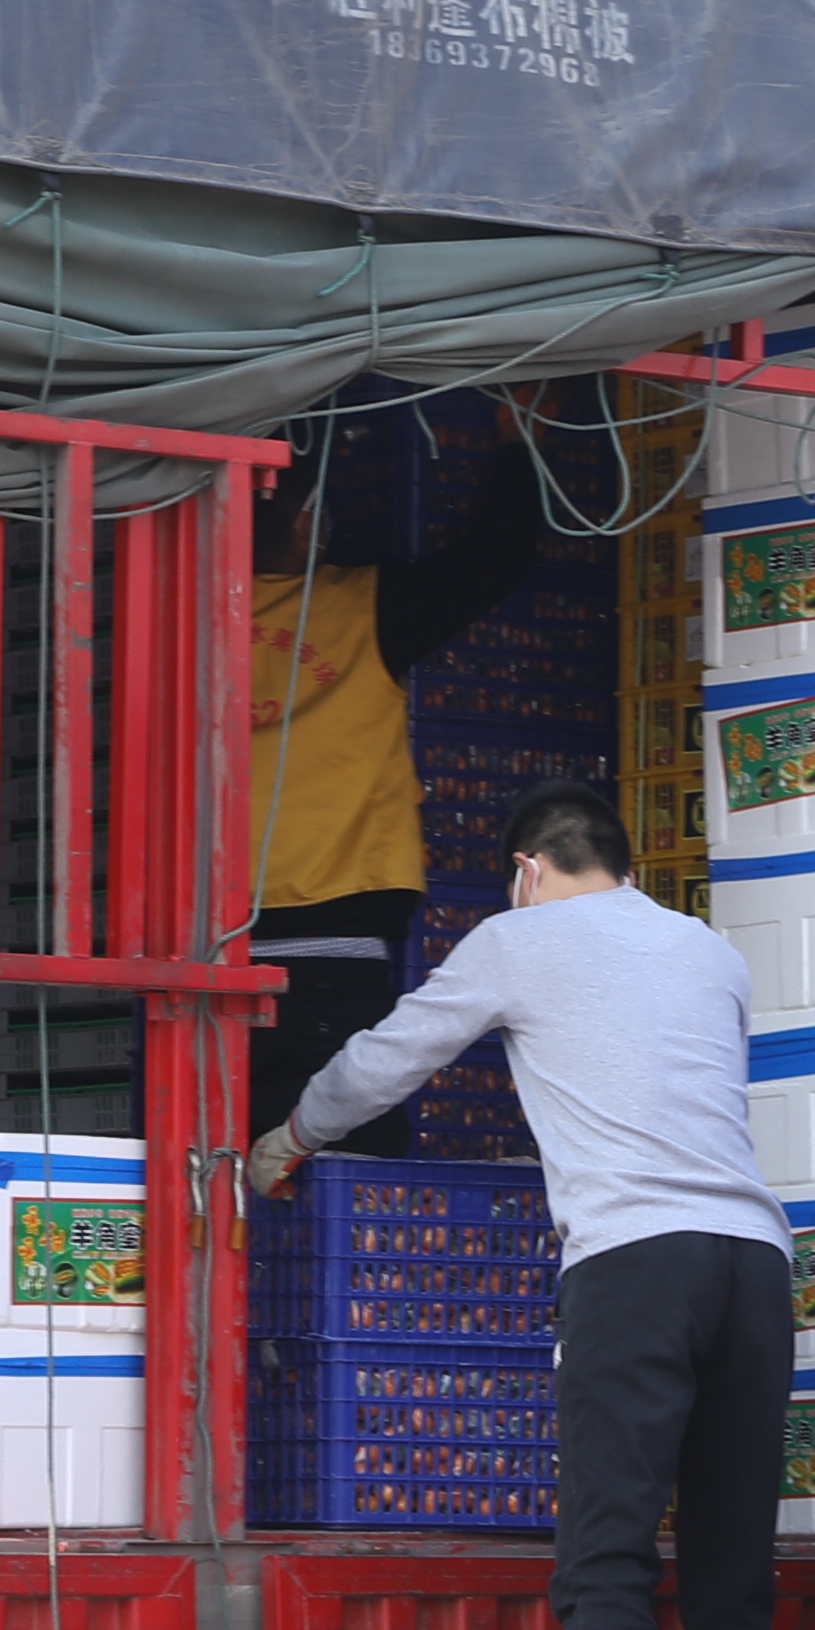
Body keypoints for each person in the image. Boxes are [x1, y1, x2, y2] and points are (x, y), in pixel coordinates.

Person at [243, 782, 794, 1630]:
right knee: (733, 1568)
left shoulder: (518, 936)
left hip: (634, 1262)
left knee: (606, 1551)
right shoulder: (709, 953)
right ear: (620, 860)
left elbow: (389, 1059)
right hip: (755, 1264)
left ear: (529, 866)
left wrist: (287, 1138)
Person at [247, 408, 549, 1135]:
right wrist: (513, 431)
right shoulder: (358, 608)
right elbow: (498, 554)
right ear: (309, 520)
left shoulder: (175, 613)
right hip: (332, 959)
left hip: (200, 961)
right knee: (346, 1185)